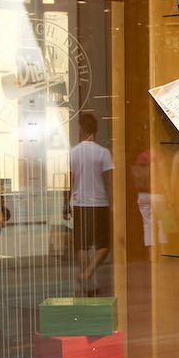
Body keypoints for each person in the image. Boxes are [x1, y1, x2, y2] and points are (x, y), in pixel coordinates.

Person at [64, 112, 113, 295]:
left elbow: (69, 180)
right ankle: (88, 275)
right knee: (103, 245)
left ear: (82, 129)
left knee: (82, 245)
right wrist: (113, 203)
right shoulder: (103, 152)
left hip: (79, 203)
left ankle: (88, 281)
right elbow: (109, 181)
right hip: (99, 203)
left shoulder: (73, 152)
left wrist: (65, 203)